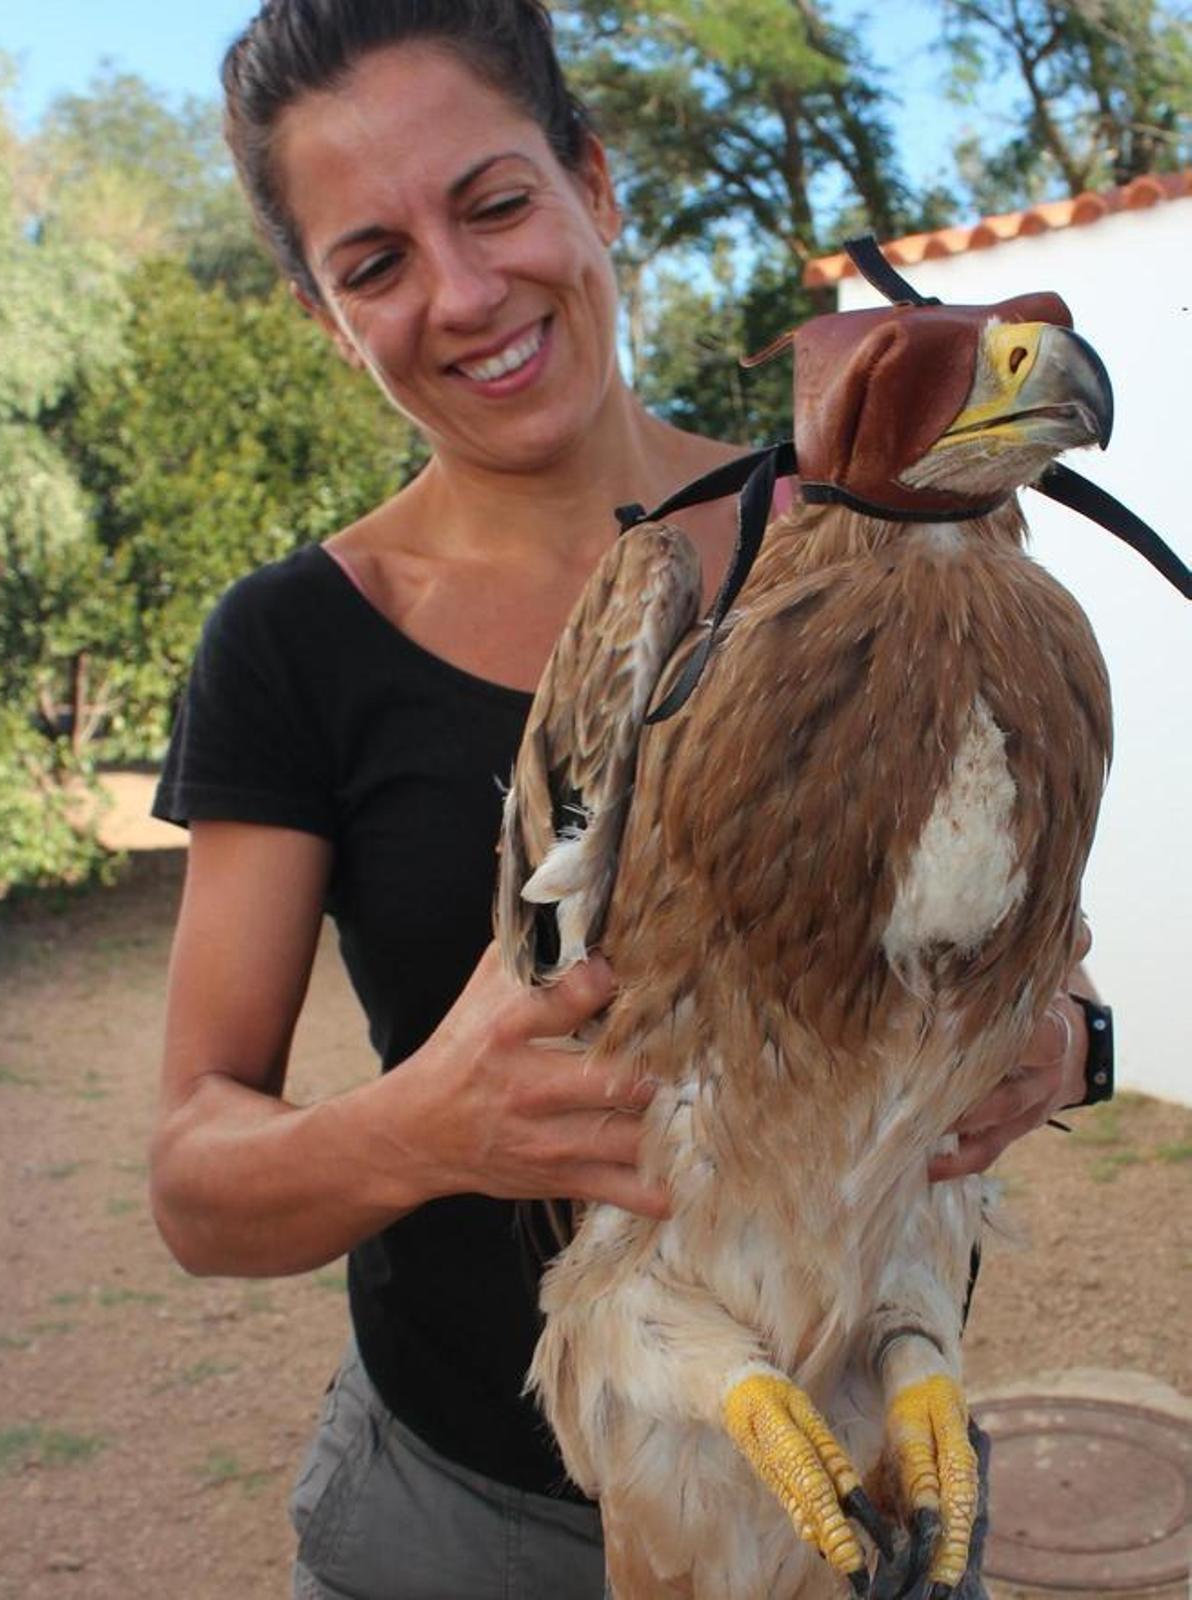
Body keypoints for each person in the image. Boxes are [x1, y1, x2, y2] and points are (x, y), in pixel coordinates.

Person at [148, 4, 1102, 1597]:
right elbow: (194, 1185)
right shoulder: (291, 642)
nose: (463, 293)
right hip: (458, 1522)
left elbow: (1021, 953)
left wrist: (1065, 1043)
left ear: (597, 185)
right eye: (373, 263)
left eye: (498, 201)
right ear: (327, 318)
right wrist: (424, 1128)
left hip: (876, 1472)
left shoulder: (900, 518)